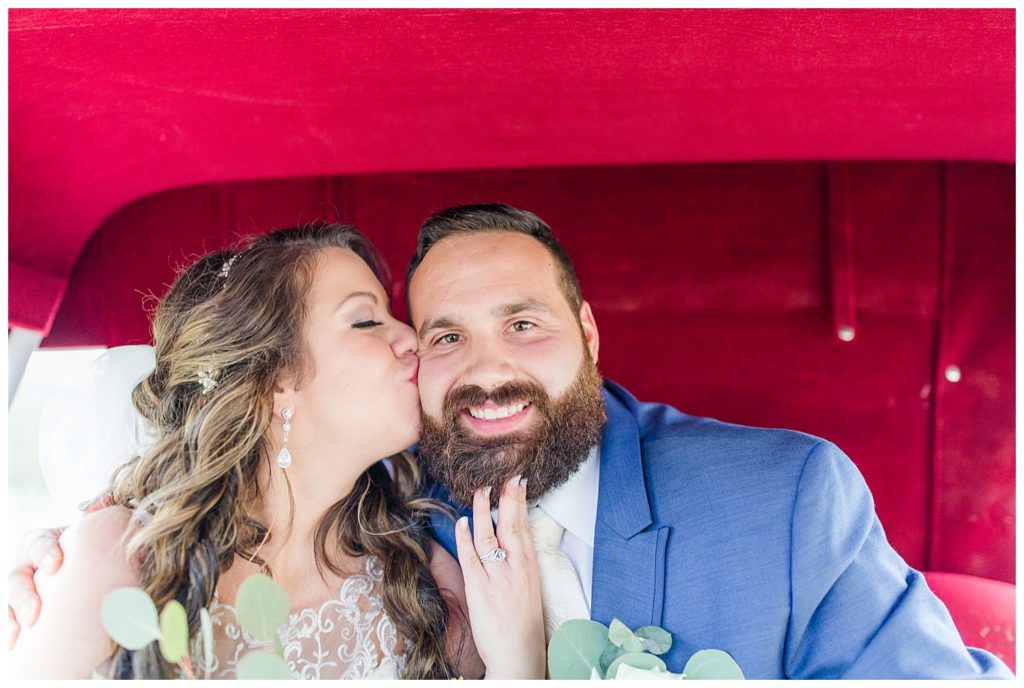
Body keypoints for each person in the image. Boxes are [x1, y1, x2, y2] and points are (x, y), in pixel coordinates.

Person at [10, 204, 1014, 679]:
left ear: (588, 334)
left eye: (522, 324)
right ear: (280, 378)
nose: (472, 364)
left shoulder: (784, 502)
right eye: (437, 332)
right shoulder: (404, 522)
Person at [7, 223, 545, 679]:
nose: (410, 338)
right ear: (276, 375)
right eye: (366, 320)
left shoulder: (430, 588)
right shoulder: (122, 559)